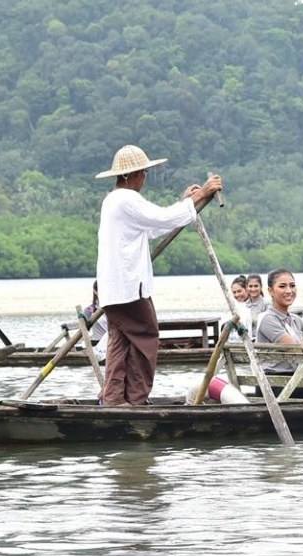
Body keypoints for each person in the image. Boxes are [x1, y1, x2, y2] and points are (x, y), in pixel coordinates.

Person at [95, 144, 222, 406]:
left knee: (120, 342)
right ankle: (136, 401)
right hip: (129, 288)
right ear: (131, 175)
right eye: (143, 173)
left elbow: (152, 227)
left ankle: (114, 400)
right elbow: (163, 218)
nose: (144, 179)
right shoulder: (126, 199)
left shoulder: (113, 200)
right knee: (146, 338)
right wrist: (201, 195)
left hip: (114, 290)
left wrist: (187, 201)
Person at [255, 268, 303, 346]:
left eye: (292, 286)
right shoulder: (267, 319)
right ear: (270, 291)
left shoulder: (296, 319)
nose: (289, 291)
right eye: (282, 286)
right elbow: (294, 348)